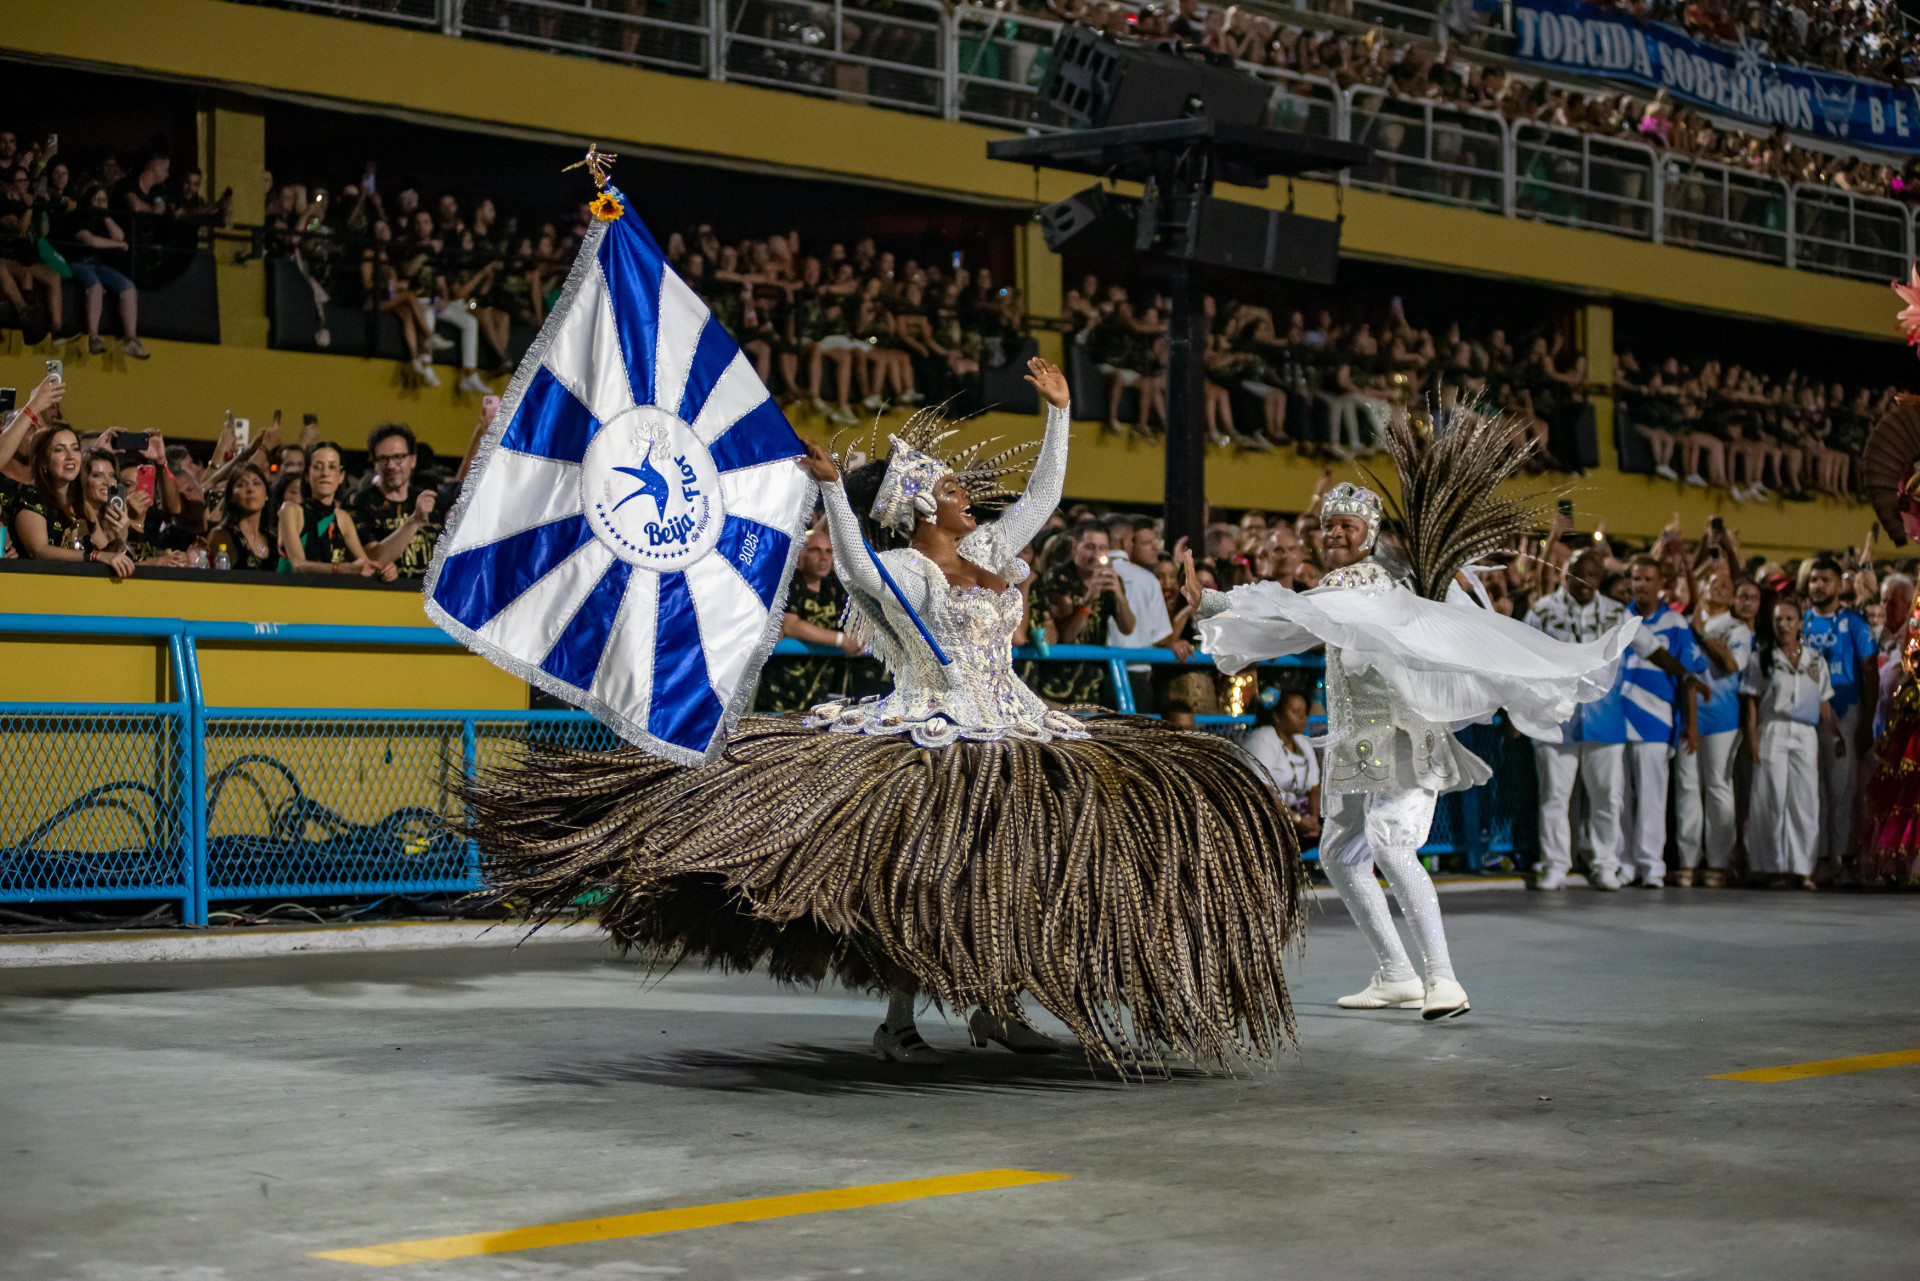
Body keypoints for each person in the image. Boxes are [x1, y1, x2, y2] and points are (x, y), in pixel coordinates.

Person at [464, 361, 1303, 1072]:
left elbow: (1044, 500)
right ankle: (899, 1022)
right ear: (917, 504)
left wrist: (1060, 414)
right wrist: (833, 495)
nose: (966, 494)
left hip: (1015, 723)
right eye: (948, 487)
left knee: (1003, 868)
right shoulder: (906, 563)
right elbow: (861, 568)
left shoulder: (984, 553)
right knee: (928, 872)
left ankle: (995, 1011)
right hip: (931, 729)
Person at [1194, 403, 1637, 1020]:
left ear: (1370, 534)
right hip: (1354, 742)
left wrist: (1215, 601)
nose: (1336, 534)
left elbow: (1290, 616)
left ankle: (1443, 979)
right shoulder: (1349, 592)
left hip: (1403, 739)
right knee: (1340, 856)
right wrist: (1218, 610)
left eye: (1347, 525)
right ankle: (1395, 973)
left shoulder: (1364, 587)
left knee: (1392, 845)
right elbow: (1296, 627)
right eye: (1330, 527)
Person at [1523, 549, 1638, 891]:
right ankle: (1556, 864)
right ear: (1565, 573)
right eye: (1579, 573)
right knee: (1555, 796)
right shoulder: (1543, 611)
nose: (1586, 581)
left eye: (1594, 575)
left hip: (1605, 718)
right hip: (1556, 717)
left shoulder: (1618, 613)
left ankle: (1605, 863)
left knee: (1607, 796)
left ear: (1602, 577)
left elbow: (1639, 652)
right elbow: (1525, 661)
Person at [1618, 555, 1707, 889]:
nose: (1641, 584)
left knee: (1653, 797)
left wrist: (1691, 724)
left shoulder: (1675, 622)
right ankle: (1624, 863)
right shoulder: (1619, 617)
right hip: (1615, 720)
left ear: (1661, 584)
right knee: (1621, 797)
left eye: (1648, 579)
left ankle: (1651, 864)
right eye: (1636, 578)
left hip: (1656, 720)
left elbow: (1689, 678)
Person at [1743, 595, 1841, 890]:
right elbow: (1752, 703)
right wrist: (1752, 738)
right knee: (1771, 798)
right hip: (1773, 729)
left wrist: (1835, 735)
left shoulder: (1815, 660)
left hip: (1805, 733)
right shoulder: (1761, 658)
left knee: (1805, 799)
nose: (1784, 625)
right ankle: (1774, 868)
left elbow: (1824, 704)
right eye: (1778, 620)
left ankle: (1802, 869)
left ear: (1800, 623)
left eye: (1789, 619)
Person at [1675, 561, 1753, 887]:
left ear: (1734, 597)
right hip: (1687, 715)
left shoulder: (1738, 629)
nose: (1718, 589)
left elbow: (1733, 665)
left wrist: (1703, 635)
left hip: (1722, 717)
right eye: (1713, 584)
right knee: (1687, 788)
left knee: (1718, 788)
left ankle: (1718, 863)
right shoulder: (1685, 623)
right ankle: (1688, 863)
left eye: (1726, 587)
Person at [1801, 556, 1878, 883]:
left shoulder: (1856, 624)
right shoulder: (1800, 621)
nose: (1818, 586)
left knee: (1842, 789)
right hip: (1807, 715)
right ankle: (1820, 859)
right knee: (1812, 789)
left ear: (1839, 584)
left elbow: (1870, 675)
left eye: (1825, 580)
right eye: (1814, 580)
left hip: (1845, 713)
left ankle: (1845, 860)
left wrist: (1865, 723)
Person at [277, 441, 390, 578]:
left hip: (329, 595)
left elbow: (363, 563)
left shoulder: (342, 517)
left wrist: (384, 569)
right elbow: (298, 565)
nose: (325, 473)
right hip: (289, 594)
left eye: (332, 467)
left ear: (341, 476)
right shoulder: (290, 510)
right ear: (307, 475)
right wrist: (344, 568)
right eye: (318, 467)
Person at [351, 423, 446, 578]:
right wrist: (415, 520)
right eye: (383, 459)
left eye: (398, 457)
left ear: (413, 460)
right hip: (384, 595)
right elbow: (374, 559)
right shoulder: (361, 503)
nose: (391, 465)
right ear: (374, 464)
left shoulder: (427, 500)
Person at [1242, 689, 1321, 846]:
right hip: (1262, 817)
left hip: (1295, 817)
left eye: (1304, 712)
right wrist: (1297, 820)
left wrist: (1313, 819)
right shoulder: (1263, 739)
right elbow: (1262, 793)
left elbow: (1314, 787)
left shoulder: (1302, 742)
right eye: (1296, 712)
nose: (1303, 717)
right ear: (1276, 716)